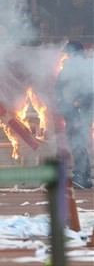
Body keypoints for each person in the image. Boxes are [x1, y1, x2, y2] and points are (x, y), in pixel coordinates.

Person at [55, 40, 93, 189]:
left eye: (70, 53)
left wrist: (80, 102)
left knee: (78, 141)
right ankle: (85, 177)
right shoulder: (67, 69)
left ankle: (79, 175)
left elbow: (91, 90)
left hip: (83, 110)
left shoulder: (87, 68)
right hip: (70, 110)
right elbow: (58, 87)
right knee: (75, 141)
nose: (68, 56)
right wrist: (62, 103)